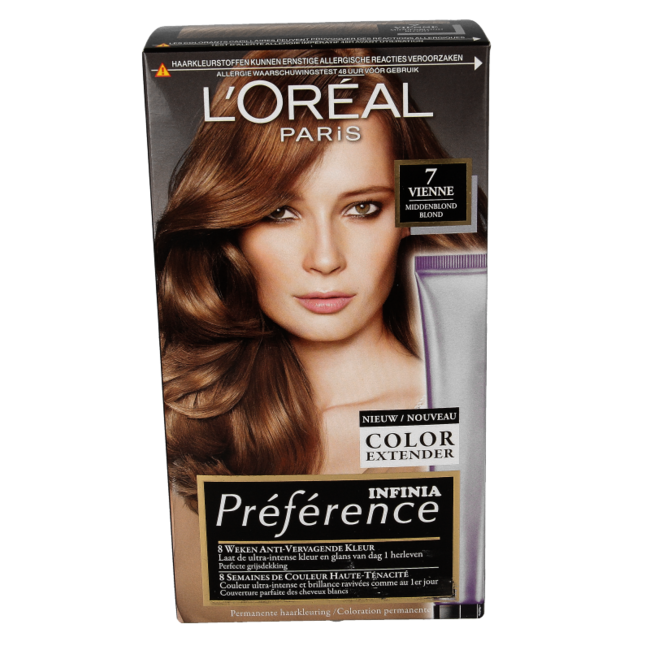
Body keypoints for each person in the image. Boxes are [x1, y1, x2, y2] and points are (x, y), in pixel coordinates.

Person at [155, 47, 486, 622]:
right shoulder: (191, 412)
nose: (325, 259)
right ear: (231, 225)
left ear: (409, 215)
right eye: (279, 212)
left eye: (363, 208)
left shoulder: (462, 410)